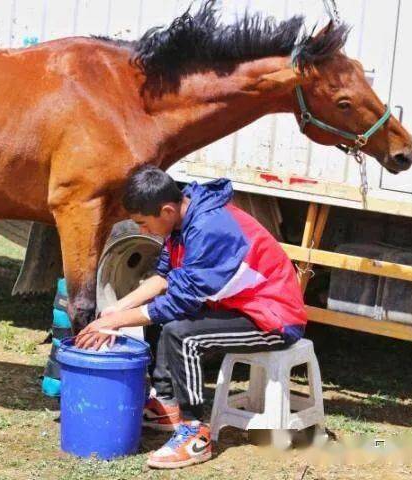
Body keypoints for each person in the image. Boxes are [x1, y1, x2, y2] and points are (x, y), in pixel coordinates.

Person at [75, 166, 307, 469]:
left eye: (143, 224)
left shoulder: (210, 230)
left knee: (183, 334)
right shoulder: (183, 221)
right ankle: (168, 405)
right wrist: (117, 309)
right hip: (238, 306)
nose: (143, 231)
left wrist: (116, 322)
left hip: (274, 318)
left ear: (167, 210)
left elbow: (179, 302)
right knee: (161, 320)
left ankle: (194, 432)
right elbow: (164, 277)